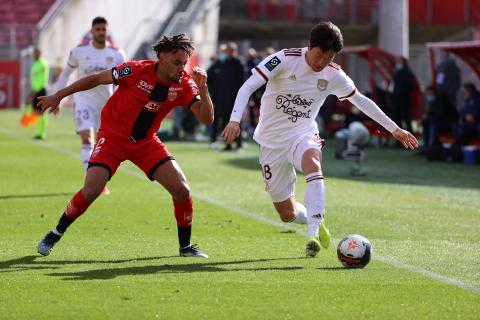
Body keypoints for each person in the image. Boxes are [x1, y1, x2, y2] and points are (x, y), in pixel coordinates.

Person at [222, 21, 418, 257]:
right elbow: (247, 86)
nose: (321, 62)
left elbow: (362, 102)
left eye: (328, 57)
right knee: (287, 214)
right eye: (318, 55)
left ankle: (312, 233)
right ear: (308, 46)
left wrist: (394, 128)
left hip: (302, 134)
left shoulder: (334, 75)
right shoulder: (284, 59)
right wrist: (234, 120)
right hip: (271, 142)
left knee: (313, 165)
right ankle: (313, 220)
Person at [36, 33, 214, 258]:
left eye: (184, 64)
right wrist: (59, 95)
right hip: (113, 138)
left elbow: (206, 119)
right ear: (161, 57)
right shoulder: (135, 70)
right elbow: (96, 79)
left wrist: (204, 88)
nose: (182, 68)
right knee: (92, 190)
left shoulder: (186, 85)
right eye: (177, 63)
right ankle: (55, 233)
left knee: (182, 189)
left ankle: (185, 247)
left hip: (146, 142)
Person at [56, 16, 125, 195]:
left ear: (108, 31)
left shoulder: (118, 54)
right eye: (98, 29)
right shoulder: (78, 51)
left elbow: (123, 83)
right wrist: (58, 98)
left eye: (104, 29)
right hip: (83, 101)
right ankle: (93, 185)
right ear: (92, 31)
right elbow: (65, 75)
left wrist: (120, 104)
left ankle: (99, 181)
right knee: (87, 139)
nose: (101, 32)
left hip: (107, 105)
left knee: (102, 147)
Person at [207, 42, 245, 150]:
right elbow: (210, 78)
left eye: (231, 51)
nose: (229, 53)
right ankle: (228, 144)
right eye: (228, 51)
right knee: (224, 120)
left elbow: (243, 82)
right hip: (222, 99)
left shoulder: (239, 63)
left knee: (236, 121)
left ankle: (239, 143)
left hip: (235, 99)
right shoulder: (221, 63)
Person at [29, 48, 50, 139]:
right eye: (34, 53)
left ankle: (42, 134)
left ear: (41, 53)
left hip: (41, 90)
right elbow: (34, 79)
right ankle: (39, 132)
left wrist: (36, 90)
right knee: (36, 112)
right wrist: (32, 90)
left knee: (42, 112)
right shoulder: (35, 64)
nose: (35, 54)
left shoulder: (43, 64)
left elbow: (43, 79)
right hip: (35, 90)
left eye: (37, 53)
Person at [392, 56, 415, 133]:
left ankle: (411, 137)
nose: (397, 64)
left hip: (405, 100)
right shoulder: (397, 73)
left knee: (406, 118)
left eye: (399, 62)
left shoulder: (408, 73)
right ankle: (400, 138)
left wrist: (400, 92)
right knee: (397, 119)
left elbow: (410, 86)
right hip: (396, 100)